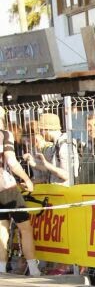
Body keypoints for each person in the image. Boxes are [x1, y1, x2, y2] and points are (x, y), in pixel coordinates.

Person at [0, 108, 41, 277]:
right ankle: (34, 269)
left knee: (2, 229)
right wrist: (27, 179)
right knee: (25, 228)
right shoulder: (4, 134)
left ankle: (2, 269)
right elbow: (11, 161)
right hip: (6, 187)